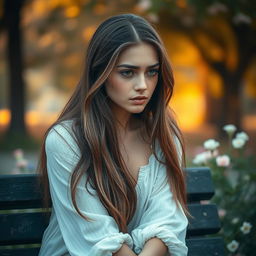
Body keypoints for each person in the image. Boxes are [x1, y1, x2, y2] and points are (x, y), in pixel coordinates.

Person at [38, 13, 189, 256]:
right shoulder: (65, 140)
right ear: (101, 73)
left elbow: (166, 220)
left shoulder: (164, 138)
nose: (143, 85)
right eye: (128, 72)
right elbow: (97, 234)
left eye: (152, 72)